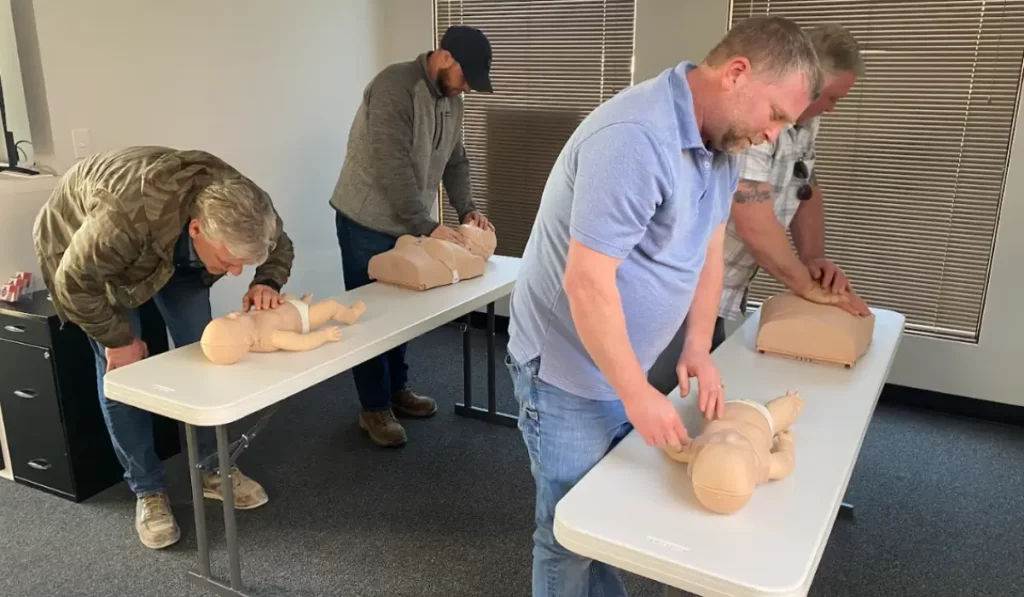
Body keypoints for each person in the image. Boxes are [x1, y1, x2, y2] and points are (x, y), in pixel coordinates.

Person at [504, 15, 822, 597]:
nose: (774, 135)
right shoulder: (636, 137)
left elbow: (707, 252)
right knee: (569, 529)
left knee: (605, 511)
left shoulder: (723, 143)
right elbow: (587, 285)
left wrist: (698, 346)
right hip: (566, 369)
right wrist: (635, 392)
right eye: (776, 114)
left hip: (621, 361)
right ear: (736, 73)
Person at [32, 145, 294, 550]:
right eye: (229, 261)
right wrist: (118, 341)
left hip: (174, 253)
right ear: (197, 230)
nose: (236, 272)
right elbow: (75, 283)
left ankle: (212, 468)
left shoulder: (250, 207)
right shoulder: (122, 218)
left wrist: (267, 281)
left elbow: (278, 245)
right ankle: (148, 490)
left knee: (210, 353)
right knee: (123, 377)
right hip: (98, 265)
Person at [329, 24, 495, 448]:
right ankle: (374, 407)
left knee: (401, 312)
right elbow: (393, 166)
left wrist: (467, 208)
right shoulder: (394, 87)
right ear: (444, 57)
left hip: (408, 222)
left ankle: (397, 389)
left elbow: (456, 161)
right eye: (465, 78)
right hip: (366, 221)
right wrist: (427, 225)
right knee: (371, 316)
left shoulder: (451, 101)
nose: (467, 88)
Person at [716, 23, 871, 348]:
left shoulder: (807, 121)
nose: (832, 108)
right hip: (681, 288)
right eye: (831, 97)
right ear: (807, 80)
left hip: (719, 290)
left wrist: (813, 260)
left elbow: (805, 184)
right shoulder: (758, 120)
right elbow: (753, 220)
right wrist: (807, 287)